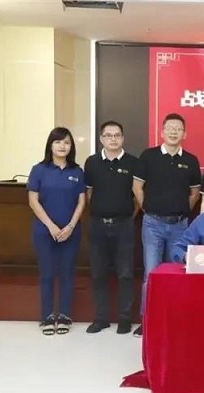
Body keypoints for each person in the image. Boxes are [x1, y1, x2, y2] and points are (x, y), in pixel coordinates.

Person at [132, 112, 201, 337]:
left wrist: (181, 210)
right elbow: (137, 187)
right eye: (170, 128)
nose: (174, 132)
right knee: (151, 274)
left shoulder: (190, 160)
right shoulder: (148, 156)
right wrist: (148, 208)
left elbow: (195, 193)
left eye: (178, 129)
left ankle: (174, 319)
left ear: (184, 134)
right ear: (162, 132)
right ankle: (147, 320)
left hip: (180, 226)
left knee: (176, 273)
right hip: (152, 224)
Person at [27, 127, 86, 336]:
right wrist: (51, 226)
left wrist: (70, 226)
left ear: (71, 147)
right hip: (44, 231)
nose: (63, 146)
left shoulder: (77, 171)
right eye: (58, 142)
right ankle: (47, 316)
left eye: (67, 142)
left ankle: (65, 316)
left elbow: (81, 201)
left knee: (67, 273)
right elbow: (33, 201)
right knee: (47, 273)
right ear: (50, 145)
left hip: (71, 232)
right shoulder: (39, 170)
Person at [83, 120, 138, 335]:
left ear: (122, 138)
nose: (113, 139)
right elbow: (88, 193)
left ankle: (125, 319)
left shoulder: (133, 162)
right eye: (108, 135)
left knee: (125, 273)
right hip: (98, 225)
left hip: (124, 225)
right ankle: (101, 318)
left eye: (117, 135)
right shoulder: (92, 162)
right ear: (101, 139)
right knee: (98, 273)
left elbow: (137, 196)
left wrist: (127, 215)